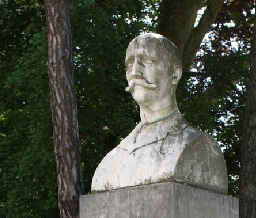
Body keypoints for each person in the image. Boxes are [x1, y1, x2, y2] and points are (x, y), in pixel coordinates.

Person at [91, 33, 228, 193]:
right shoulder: (109, 163)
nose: (135, 72)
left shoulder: (198, 148)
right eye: (129, 65)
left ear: (175, 75)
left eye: (147, 61)